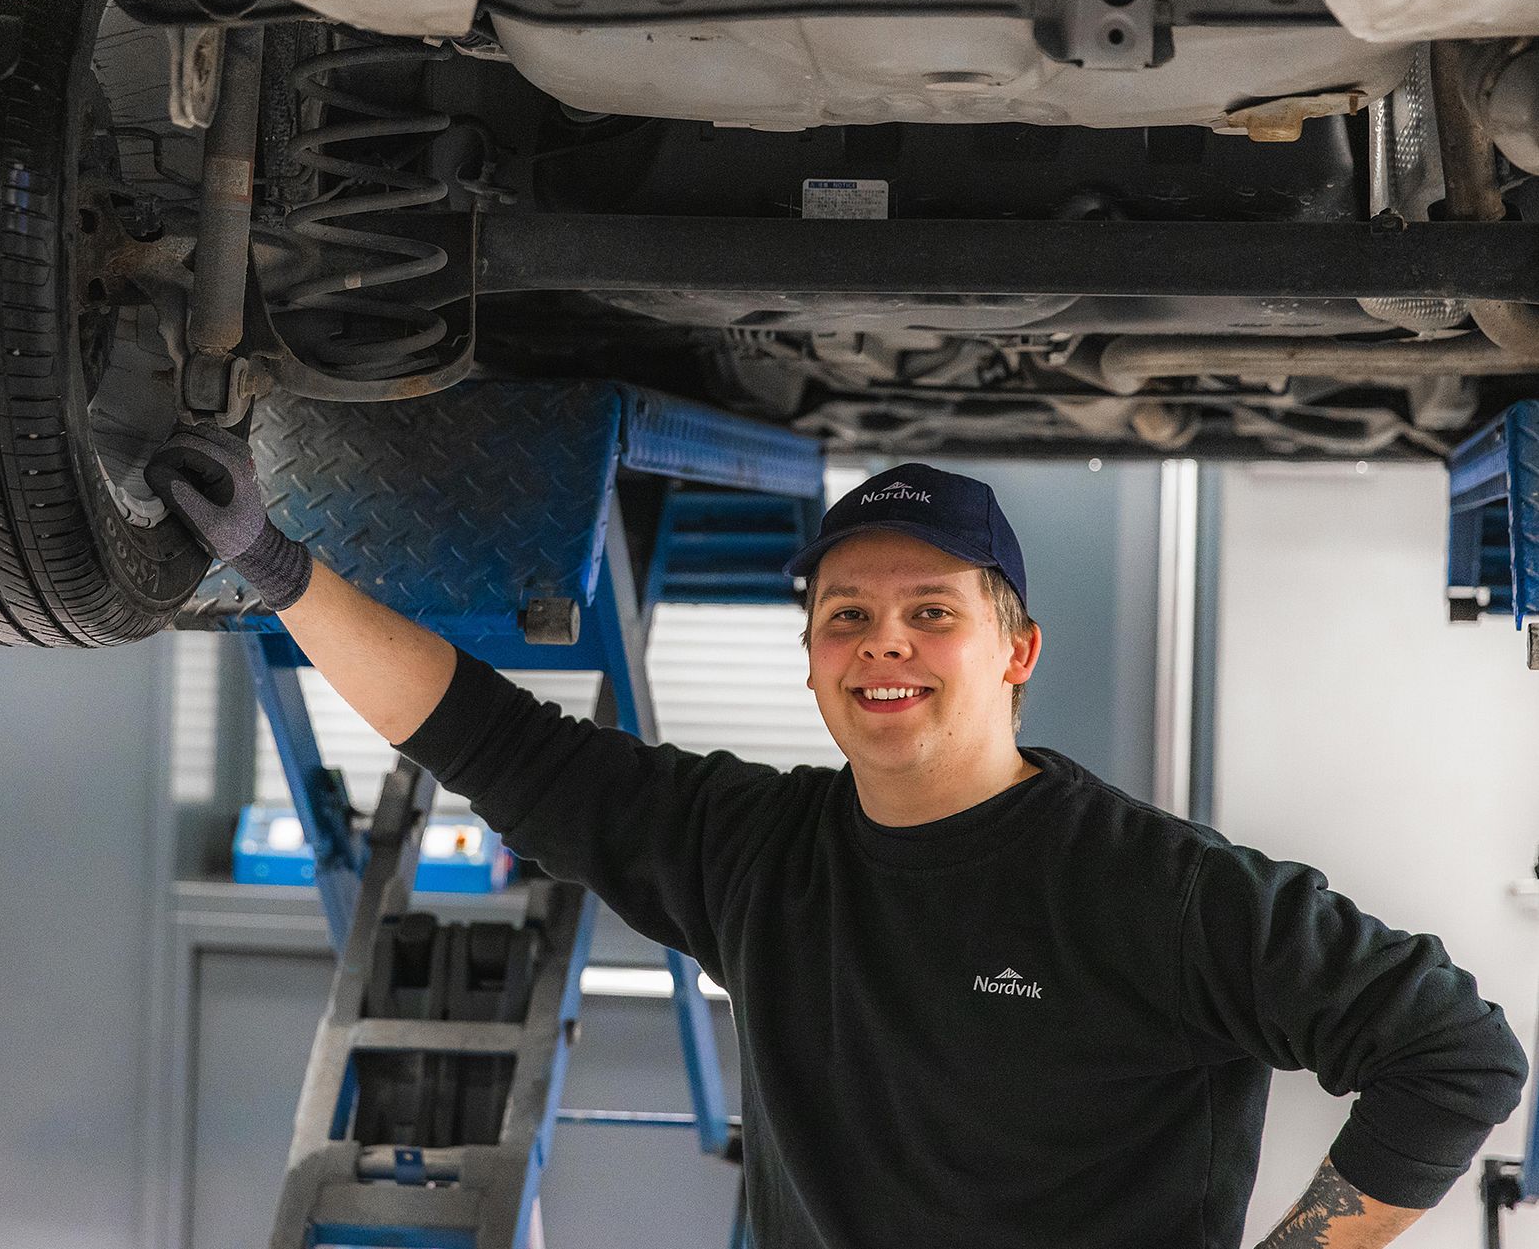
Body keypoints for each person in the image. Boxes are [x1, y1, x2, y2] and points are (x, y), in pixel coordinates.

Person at [150, 428, 1528, 1249]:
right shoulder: (753, 848)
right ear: (811, 662)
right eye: (846, 619)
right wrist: (277, 569)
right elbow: (492, 741)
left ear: (1016, 650)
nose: (885, 645)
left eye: (932, 611)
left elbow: (1453, 1052)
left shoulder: (1152, 892)